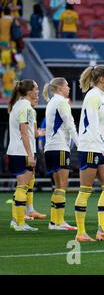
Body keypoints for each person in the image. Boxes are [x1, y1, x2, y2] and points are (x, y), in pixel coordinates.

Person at [74, 66, 104, 242]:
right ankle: (81, 232)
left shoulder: (100, 96)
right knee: (85, 190)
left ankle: (102, 229)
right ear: (101, 79)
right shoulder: (92, 97)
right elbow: (91, 125)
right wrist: (103, 147)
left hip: (98, 146)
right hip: (90, 147)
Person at [7, 79, 44, 231]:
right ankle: (19, 222)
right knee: (22, 187)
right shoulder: (26, 107)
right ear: (29, 92)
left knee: (22, 186)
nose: (38, 91)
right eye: (36, 89)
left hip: (16, 151)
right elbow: (24, 132)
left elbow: (32, 133)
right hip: (22, 152)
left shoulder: (18, 105)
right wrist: (30, 155)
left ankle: (18, 220)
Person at [42, 78, 78, 230]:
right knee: (62, 186)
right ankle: (59, 221)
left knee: (58, 186)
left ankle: (54, 221)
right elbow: (70, 125)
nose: (69, 88)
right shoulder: (61, 102)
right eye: (68, 85)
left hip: (50, 148)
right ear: (61, 87)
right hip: (59, 147)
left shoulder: (51, 102)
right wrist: (81, 145)